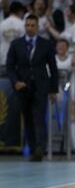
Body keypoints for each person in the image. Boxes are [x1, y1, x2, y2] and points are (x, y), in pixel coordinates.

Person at [6, 14, 58, 161]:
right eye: (27, 25)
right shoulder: (16, 44)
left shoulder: (46, 44)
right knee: (27, 119)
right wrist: (15, 81)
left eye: (32, 25)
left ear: (37, 26)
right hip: (22, 88)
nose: (30, 28)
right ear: (24, 26)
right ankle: (33, 147)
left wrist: (53, 89)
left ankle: (40, 147)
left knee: (39, 117)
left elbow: (53, 68)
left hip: (41, 87)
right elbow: (10, 66)